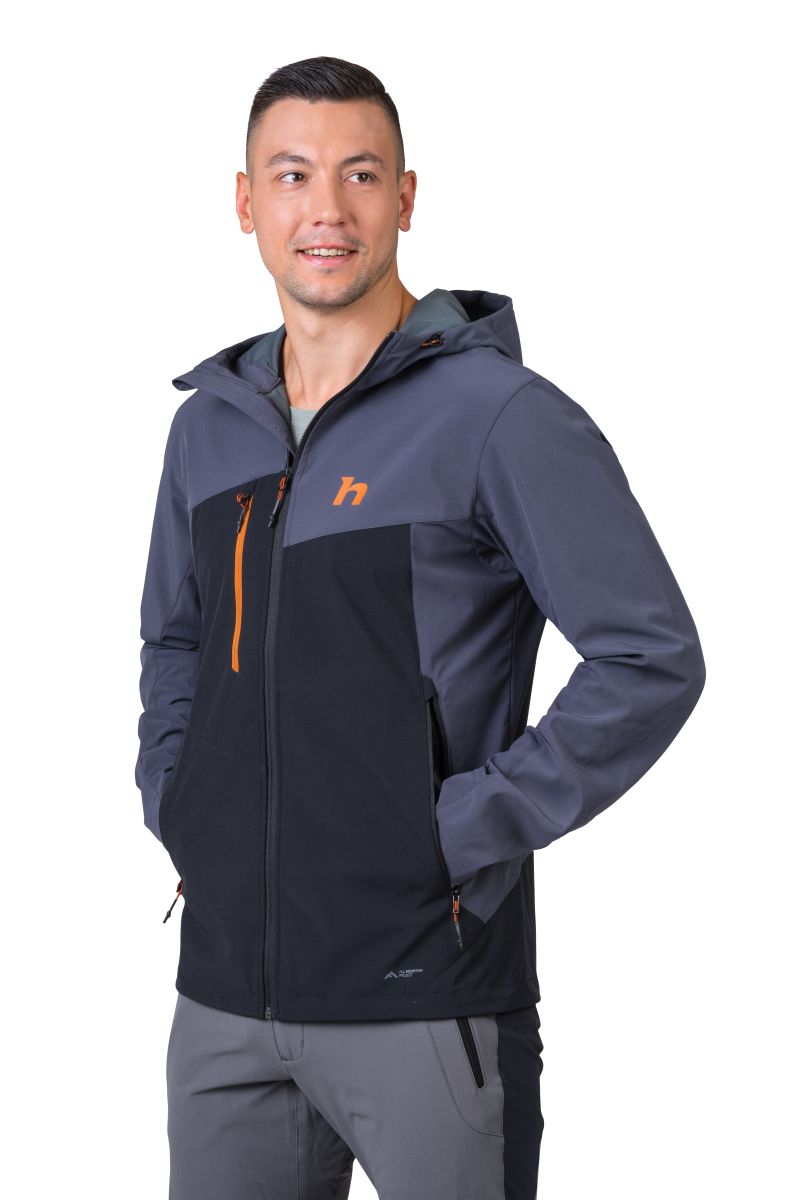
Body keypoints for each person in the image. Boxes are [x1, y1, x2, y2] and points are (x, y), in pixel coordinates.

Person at [135, 55, 706, 1200]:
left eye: (359, 174)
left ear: (404, 197)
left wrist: (450, 828)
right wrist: (180, 796)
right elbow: (176, 639)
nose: (326, 209)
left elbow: (647, 658)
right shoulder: (210, 430)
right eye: (291, 175)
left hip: (426, 997)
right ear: (245, 202)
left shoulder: (497, 418)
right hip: (224, 1006)